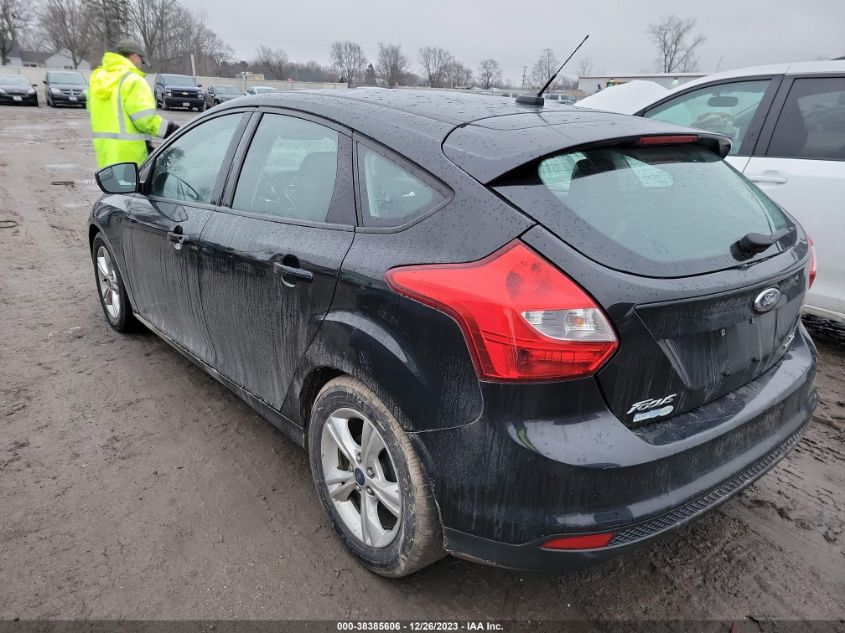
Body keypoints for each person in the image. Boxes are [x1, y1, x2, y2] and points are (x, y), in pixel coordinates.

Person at [88, 39, 179, 168]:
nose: (140, 65)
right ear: (135, 56)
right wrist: (171, 130)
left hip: (106, 157)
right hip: (131, 159)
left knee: (114, 188)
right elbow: (145, 121)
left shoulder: (97, 79)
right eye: (141, 61)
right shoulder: (133, 81)